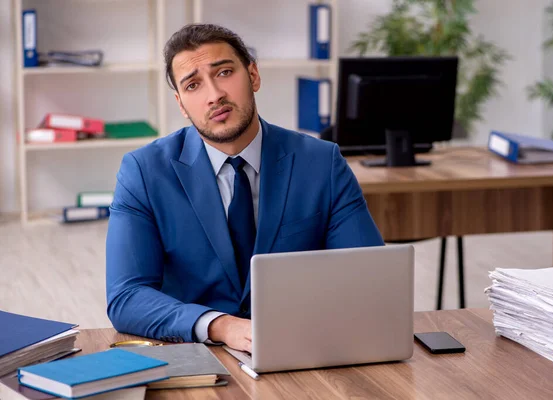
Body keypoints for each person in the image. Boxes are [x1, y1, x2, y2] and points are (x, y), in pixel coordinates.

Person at [106, 23, 384, 353]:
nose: (214, 95)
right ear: (181, 104)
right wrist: (220, 325)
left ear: (253, 75)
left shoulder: (322, 163)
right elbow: (127, 296)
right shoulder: (144, 171)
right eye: (193, 85)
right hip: (195, 351)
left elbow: (369, 278)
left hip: (300, 346)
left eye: (224, 72)